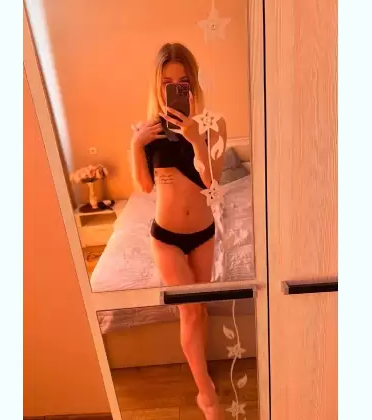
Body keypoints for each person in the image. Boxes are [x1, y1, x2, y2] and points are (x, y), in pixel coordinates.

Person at [130, 42, 227, 420]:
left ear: (193, 83)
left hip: (204, 232)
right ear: (157, 85)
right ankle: (207, 395)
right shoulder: (148, 131)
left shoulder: (213, 125)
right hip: (166, 237)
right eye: (167, 83)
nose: (175, 89)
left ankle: (202, 371)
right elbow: (144, 187)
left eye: (182, 82)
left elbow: (212, 182)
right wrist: (135, 145)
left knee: (200, 310)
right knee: (190, 311)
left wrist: (195, 139)